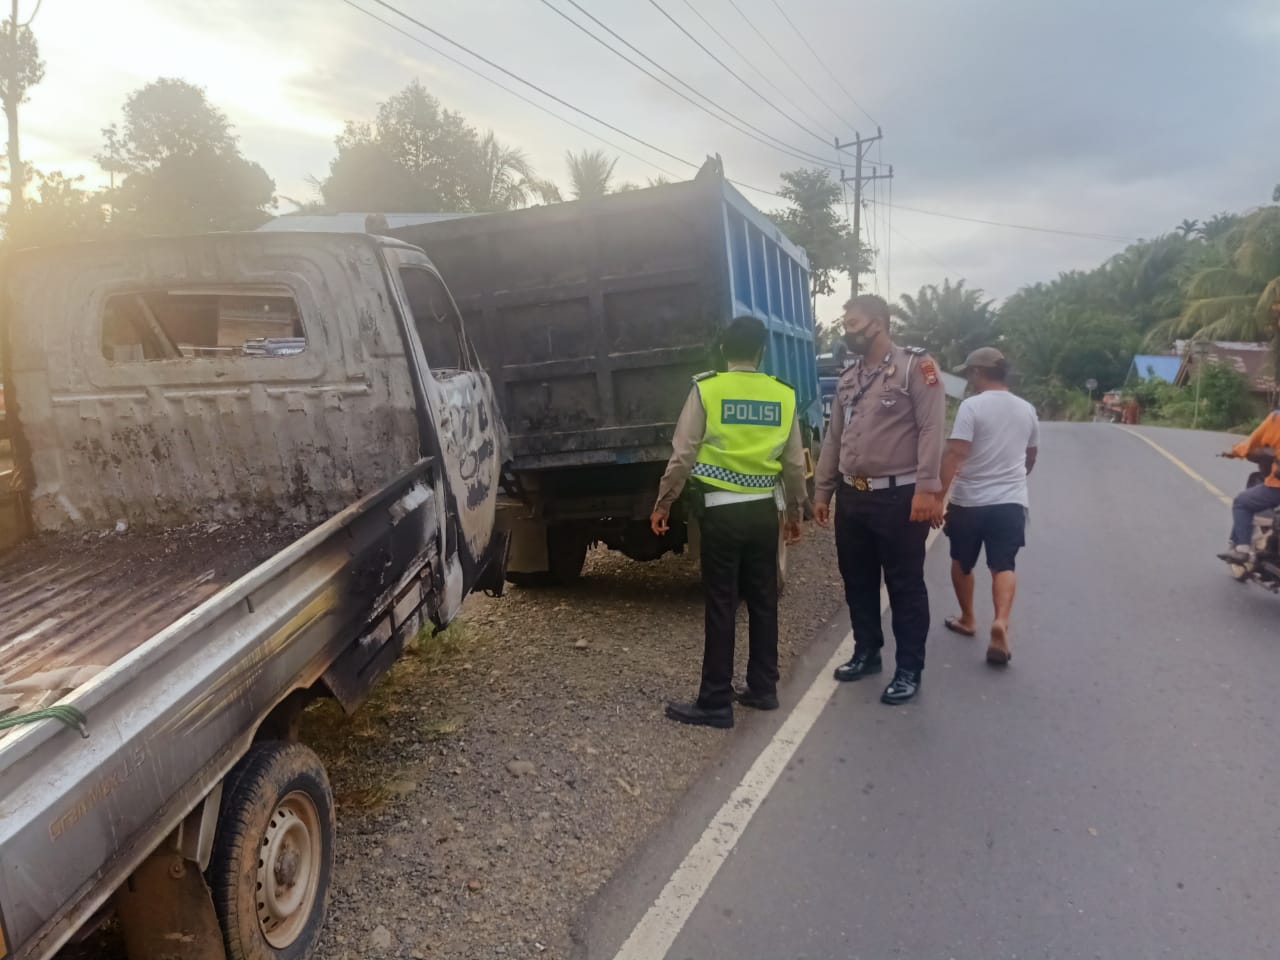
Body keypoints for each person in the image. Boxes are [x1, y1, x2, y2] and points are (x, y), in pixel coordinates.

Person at [651, 316, 807, 729]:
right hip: (763, 513)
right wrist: (795, 511)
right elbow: (793, 462)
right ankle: (762, 687)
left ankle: (716, 701)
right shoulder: (782, 395)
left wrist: (664, 502)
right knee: (763, 599)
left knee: (722, 603)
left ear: (723, 350)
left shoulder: (707, 389)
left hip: (721, 512)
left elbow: (683, 454)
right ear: (761, 352)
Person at [814, 295, 945, 705]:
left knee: (904, 585)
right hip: (853, 496)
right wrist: (823, 490)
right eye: (845, 323)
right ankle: (867, 652)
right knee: (858, 581)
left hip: (900, 497)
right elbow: (835, 436)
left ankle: (909, 667)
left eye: (853, 323)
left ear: (879, 324)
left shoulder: (914, 368)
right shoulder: (850, 377)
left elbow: (931, 429)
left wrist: (927, 488)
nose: (847, 332)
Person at [938, 347, 1039, 666]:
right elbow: (1031, 455)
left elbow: (955, 454)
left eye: (969, 373)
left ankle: (968, 619)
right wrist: (1015, 480)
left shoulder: (971, 407)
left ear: (977, 373)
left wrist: (937, 496)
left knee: (961, 561)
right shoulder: (1027, 409)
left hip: (970, 501)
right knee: (1003, 565)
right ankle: (1001, 621)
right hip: (1009, 502)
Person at [1218, 408, 1280, 565]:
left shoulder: (1276, 418)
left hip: (1277, 487)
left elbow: (1252, 441)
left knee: (1242, 503)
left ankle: (1242, 549)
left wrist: (1234, 452)